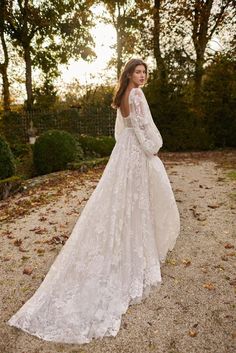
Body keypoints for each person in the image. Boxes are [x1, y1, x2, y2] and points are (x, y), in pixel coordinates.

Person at [7, 58, 180, 344]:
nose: (143, 76)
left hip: (122, 152)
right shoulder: (136, 94)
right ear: (129, 74)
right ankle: (133, 247)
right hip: (135, 151)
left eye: (145, 72)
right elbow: (141, 126)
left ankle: (128, 240)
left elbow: (121, 131)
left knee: (124, 201)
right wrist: (153, 147)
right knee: (135, 201)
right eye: (139, 71)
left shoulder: (123, 94)